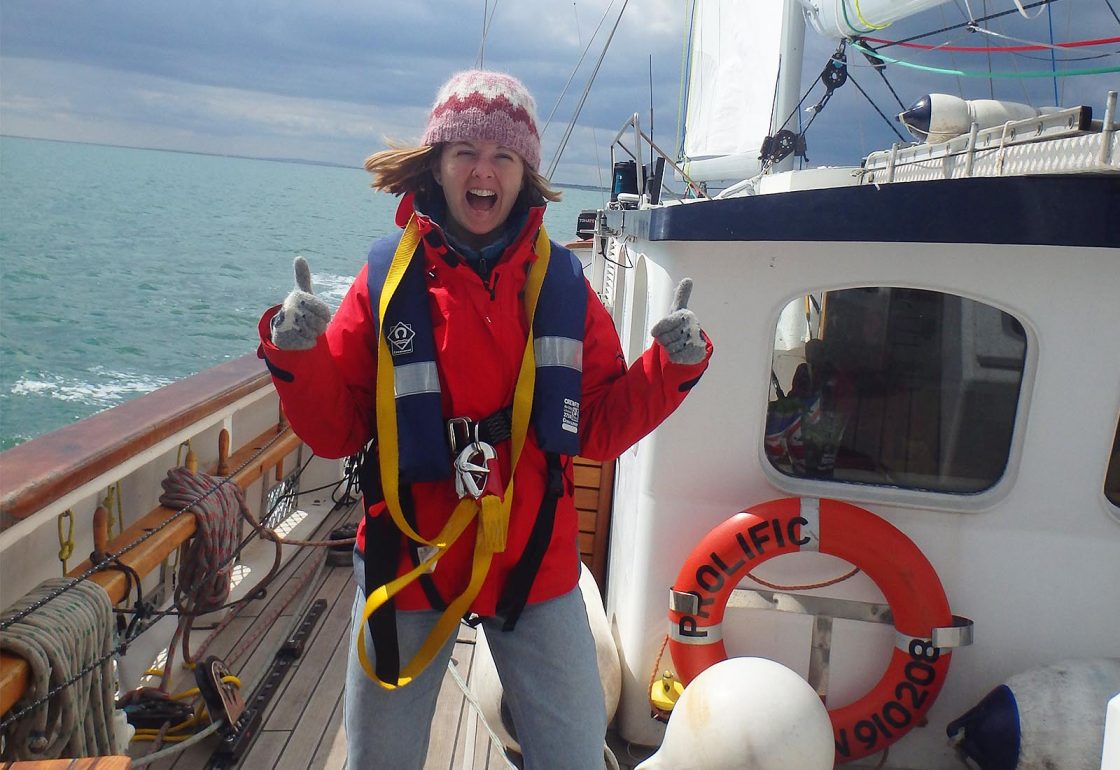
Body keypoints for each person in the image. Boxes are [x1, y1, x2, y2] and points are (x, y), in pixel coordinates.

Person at [256, 69, 712, 770]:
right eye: (465, 150)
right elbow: (338, 430)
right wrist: (298, 355)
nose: (483, 170)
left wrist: (669, 367)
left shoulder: (563, 285)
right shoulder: (383, 281)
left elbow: (598, 427)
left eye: (502, 155)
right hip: (409, 560)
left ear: (524, 174)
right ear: (437, 164)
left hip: (533, 561)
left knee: (573, 757)